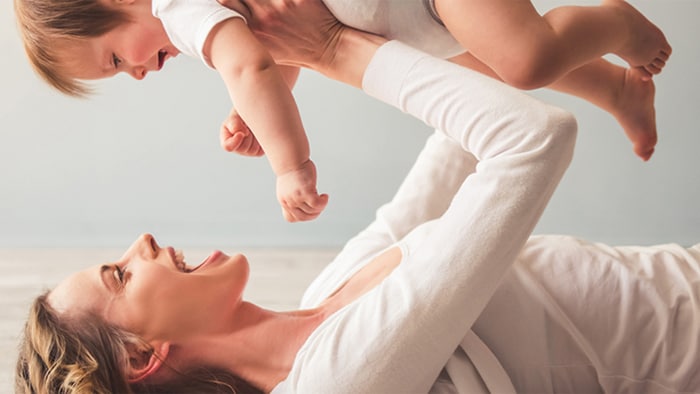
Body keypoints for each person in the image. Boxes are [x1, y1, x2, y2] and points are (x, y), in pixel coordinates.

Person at [15, 2, 700, 392]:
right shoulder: (338, 378)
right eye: (120, 274)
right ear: (143, 355)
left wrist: (312, 54)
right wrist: (333, 47)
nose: (140, 245)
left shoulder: (329, 295)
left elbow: (459, 145)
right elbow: (532, 141)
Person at [13, 0, 671, 223]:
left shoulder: (176, 12)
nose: (135, 73)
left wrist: (287, 164)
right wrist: (260, 109)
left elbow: (252, 66)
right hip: (410, 18)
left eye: (113, 61)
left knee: (524, 61)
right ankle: (617, 91)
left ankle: (615, 23)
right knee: (495, 67)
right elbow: (275, 55)